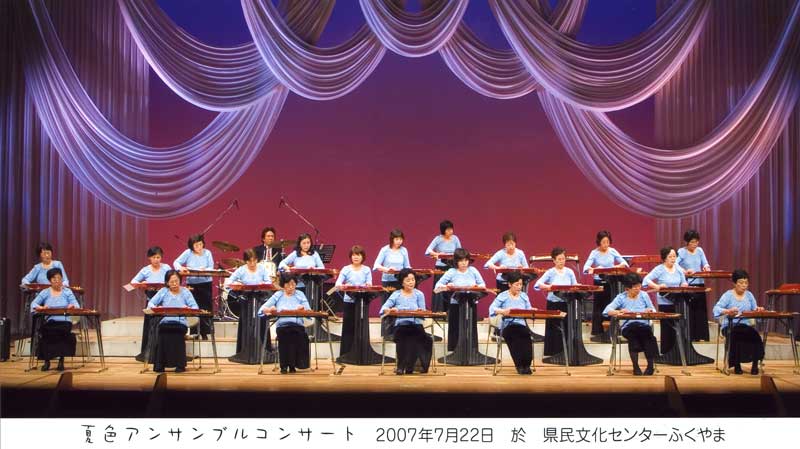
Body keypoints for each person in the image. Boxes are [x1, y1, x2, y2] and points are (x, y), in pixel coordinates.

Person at [603, 273, 658, 376]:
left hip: (643, 325)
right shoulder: (621, 297)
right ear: (627, 288)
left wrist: (649, 310)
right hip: (628, 326)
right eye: (635, 287)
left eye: (639, 286)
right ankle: (636, 367)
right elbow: (606, 311)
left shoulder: (644, 295)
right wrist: (618, 311)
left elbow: (653, 310)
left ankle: (650, 367)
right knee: (634, 336)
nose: (638, 289)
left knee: (648, 336)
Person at [379, 268, 433, 375]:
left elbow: (423, 313)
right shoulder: (396, 294)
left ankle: (410, 367)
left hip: (415, 324)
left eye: (413, 280)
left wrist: (419, 311)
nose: (411, 282)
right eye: (408, 280)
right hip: (401, 325)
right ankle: (402, 366)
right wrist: (390, 310)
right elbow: (383, 309)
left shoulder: (419, 294)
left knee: (422, 338)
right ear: (402, 282)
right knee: (404, 336)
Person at [713, 269, 765, 375]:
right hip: (730, 326)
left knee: (755, 336)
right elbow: (716, 309)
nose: (744, 285)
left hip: (745, 325)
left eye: (746, 283)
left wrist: (758, 310)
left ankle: (755, 365)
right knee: (736, 336)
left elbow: (754, 310)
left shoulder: (749, 295)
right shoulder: (728, 295)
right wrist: (728, 311)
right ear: (734, 283)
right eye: (741, 283)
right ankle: (737, 365)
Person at [146, 270, 199, 373]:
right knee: (163, 332)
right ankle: (160, 365)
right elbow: (151, 303)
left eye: (176, 281)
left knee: (176, 332)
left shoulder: (185, 292)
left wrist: (188, 309)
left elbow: (195, 307)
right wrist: (158, 308)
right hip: (165, 322)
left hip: (180, 323)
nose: (174, 284)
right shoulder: (163, 291)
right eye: (171, 282)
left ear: (180, 281)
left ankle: (180, 365)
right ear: (167, 282)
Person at [258, 273, 311, 373]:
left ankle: (293, 365)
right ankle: (284, 366)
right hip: (282, 325)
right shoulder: (278, 295)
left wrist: (303, 309)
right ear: (283, 285)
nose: (291, 287)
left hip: (297, 325)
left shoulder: (300, 294)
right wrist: (269, 309)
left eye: (293, 284)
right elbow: (262, 309)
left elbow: (308, 311)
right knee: (284, 335)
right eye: (288, 284)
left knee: (297, 335)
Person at [434, 248, 485, 351]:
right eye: (461, 261)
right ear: (456, 261)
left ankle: (472, 349)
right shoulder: (451, 271)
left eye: (466, 260)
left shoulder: (473, 270)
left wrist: (476, 286)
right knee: (455, 326)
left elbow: (482, 284)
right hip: (456, 303)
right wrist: (447, 285)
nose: (464, 263)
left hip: (471, 302)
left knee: (471, 326)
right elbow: (437, 286)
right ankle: (454, 350)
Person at [228, 249, 273, 364]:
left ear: (257, 260)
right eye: (249, 261)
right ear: (245, 261)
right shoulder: (241, 270)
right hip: (246, 299)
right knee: (246, 323)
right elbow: (229, 282)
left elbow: (268, 282)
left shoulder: (262, 269)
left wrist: (263, 284)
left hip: (260, 299)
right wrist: (238, 284)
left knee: (262, 323)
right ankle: (244, 351)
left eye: (254, 261)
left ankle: (264, 350)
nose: (252, 264)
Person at [642, 246, 689, 355]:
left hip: (678, 301)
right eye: (670, 256)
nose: (673, 259)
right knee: (667, 328)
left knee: (679, 326)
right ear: (664, 258)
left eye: (674, 256)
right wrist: (657, 286)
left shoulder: (678, 269)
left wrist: (684, 284)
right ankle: (666, 352)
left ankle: (678, 352)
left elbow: (684, 282)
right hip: (664, 302)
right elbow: (646, 279)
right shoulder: (659, 269)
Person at [582, 230, 628, 342]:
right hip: (599, 282)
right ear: (599, 242)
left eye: (607, 242)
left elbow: (625, 263)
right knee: (598, 307)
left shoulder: (612, 251)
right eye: (603, 242)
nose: (606, 244)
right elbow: (585, 269)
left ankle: (613, 331)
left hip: (611, 283)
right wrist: (595, 269)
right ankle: (597, 333)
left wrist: (617, 266)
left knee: (612, 305)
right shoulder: (594, 253)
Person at [30, 268, 79, 371]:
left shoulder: (67, 291)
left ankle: (61, 361)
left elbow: (76, 305)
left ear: (62, 279)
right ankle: (46, 361)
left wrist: (72, 306)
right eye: (54, 278)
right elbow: (33, 304)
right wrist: (41, 307)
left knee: (62, 331)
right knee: (46, 332)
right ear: (50, 280)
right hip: (50, 321)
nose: (57, 280)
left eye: (59, 278)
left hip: (65, 321)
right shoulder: (45, 292)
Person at [534, 247, 577, 357]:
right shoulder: (550, 272)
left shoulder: (570, 272)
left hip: (567, 303)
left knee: (567, 327)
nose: (561, 261)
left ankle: (566, 353)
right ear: (554, 260)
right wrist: (548, 287)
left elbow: (575, 285)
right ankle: (552, 353)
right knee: (553, 328)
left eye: (563, 259)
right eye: (559, 259)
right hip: (553, 304)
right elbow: (537, 285)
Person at [130, 246, 171, 362]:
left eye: (158, 257)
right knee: (150, 327)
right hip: (151, 301)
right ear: (149, 258)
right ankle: (148, 353)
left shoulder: (166, 267)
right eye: (154, 257)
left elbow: (173, 278)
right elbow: (133, 282)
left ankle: (165, 353)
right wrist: (142, 284)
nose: (156, 260)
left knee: (165, 325)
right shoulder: (145, 270)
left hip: (165, 301)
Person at [488, 271, 534, 374]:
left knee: (526, 337)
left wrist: (532, 311)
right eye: (516, 285)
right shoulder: (503, 296)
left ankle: (527, 365)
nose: (519, 287)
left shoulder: (524, 296)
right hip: (507, 325)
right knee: (515, 337)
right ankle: (519, 365)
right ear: (509, 284)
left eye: (520, 284)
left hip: (521, 324)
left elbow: (529, 310)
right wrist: (503, 311)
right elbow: (492, 308)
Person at [173, 234, 214, 339]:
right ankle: (194, 332)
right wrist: (181, 268)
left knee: (205, 307)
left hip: (205, 283)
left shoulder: (207, 253)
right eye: (196, 245)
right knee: (193, 307)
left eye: (200, 244)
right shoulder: (188, 253)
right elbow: (176, 262)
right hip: (192, 284)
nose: (199, 247)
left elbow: (211, 267)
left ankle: (205, 333)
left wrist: (206, 269)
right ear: (192, 246)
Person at [335, 245, 373, 358]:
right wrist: (343, 286)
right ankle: (346, 354)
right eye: (354, 255)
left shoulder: (366, 269)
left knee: (361, 327)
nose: (356, 257)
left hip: (362, 302)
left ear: (363, 257)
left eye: (358, 255)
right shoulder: (346, 269)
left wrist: (367, 285)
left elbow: (369, 284)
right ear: (350, 256)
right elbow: (337, 284)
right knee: (348, 328)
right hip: (349, 302)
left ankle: (361, 354)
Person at [373, 229, 411, 338]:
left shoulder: (404, 250)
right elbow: (376, 265)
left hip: (400, 281)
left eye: (401, 239)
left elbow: (407, 266)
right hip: (388, 281)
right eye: (397, 239)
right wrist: (387, 269)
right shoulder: (385, 250)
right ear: (392, 239)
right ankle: (387, 333)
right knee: (387, 305)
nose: (399, 241)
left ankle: (398, 332)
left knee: (399, 305)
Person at [677, 229, 712, 341]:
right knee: (690, 310)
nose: (695, 244)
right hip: (688, 284)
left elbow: (705, 263)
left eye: (696, 241)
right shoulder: (682, 251)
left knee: (701, 309)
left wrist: (706, 267)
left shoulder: (700, 250)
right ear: (687, 242)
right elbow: (675, 265)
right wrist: (685, 271)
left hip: (700, 283)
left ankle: (701, 336)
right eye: (692, 242)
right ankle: (690, 336)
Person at [425, 220, 462, 312]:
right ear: (443, 230)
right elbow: (428, 251)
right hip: (441, 267)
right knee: (440, 288)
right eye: (448, 230)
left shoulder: (455, 238)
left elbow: (460, 252)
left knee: (452, 288)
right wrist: (437, 254)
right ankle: (439, 311)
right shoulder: (438, 239)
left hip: (452, 267)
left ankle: (452, 310)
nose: (450, 231)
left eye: (451, 229)